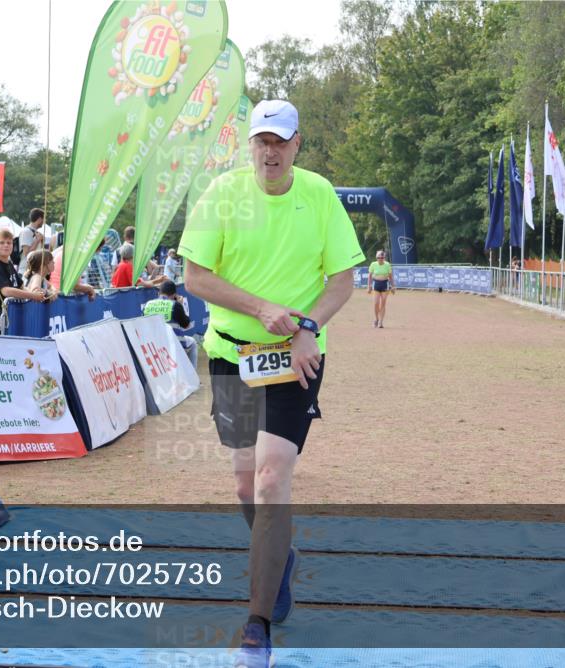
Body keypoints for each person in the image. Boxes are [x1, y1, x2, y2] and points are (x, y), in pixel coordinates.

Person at [178, 99, 364, 667]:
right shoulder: (222, 195)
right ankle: (279, 558)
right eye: (262, 140)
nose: (270, 151)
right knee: (244, 487)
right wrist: (261, 308)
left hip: (296, 357)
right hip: (232, 355)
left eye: (280, 141)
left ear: (297, 144)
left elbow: (342, 279)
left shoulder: (320, 195)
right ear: (250, 145)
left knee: (270, 477)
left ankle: (256, 629)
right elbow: (195, 276)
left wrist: (308, 327)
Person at [0, 229, 47, 335]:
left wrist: (36, 292)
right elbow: (6, 291)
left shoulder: (9, 264)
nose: (6, 245)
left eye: (9, 243)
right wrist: (32, 295)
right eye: (1, 242)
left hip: (15, 314)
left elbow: (21, 286)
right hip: (2, 316)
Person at [143, 280, 197, 368]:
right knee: (193, 342)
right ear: (174, 294)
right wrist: (181, 305)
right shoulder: (175, 305)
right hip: (173, 344)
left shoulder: (148, 304)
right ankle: (192, 374)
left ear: (159, 293)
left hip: (152, 345)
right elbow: (186, 325)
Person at [367, 249, 395, 328]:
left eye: (382, 258)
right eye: (378, 258)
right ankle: (376, 319)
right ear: (376, 258)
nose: (380, 259)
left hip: (385, 284)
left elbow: (390, 276)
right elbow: (369, 276)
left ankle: (380, 322)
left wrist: (393, 286)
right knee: (376, 303)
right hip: (376, 284)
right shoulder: (373, 264)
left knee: (383, 303)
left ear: (384, 258)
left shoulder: (387, 265)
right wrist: (369, 286)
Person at [18, 208, 46, 276]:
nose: (44, 221)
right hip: (25, 272)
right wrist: (37, 240)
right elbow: (27, 253)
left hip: (34, 271)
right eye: (43, 219)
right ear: (39, 219)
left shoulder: (37, 233)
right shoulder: (26, 232)